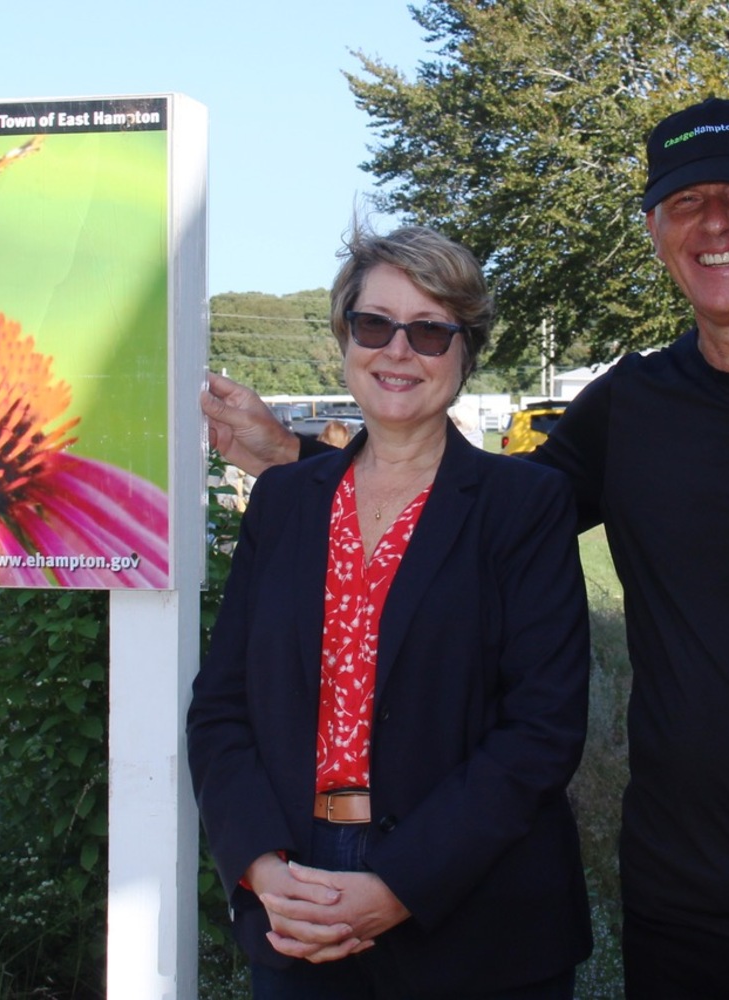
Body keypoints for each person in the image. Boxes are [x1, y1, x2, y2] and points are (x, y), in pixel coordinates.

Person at [201, 97, 729, 999]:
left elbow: (532, 707)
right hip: (678, 899)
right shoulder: (631, 408)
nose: (716, 223)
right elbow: (460, 514)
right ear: (654, 231)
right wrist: (293, 466)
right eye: (685, 203)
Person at [188, 225, 593, 999]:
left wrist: (400, 885)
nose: (397, 351)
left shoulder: (523, 506)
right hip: (297, 903)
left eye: (430, 331)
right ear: (345, 338)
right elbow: (222, 707)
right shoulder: (284, 502)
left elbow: (541, 730)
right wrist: (261, 867)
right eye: (374, 325)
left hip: (475, 919)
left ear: (465, 351)